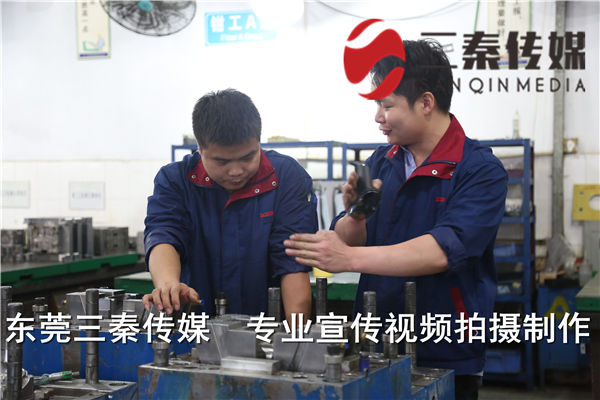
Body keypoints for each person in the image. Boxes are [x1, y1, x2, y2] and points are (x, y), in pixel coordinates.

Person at [284, 40, 507, 400]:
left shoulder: (479, 170)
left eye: (387, 105)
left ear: (426, 103)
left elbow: (443, 251)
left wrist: (349, 258)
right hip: (376, 337)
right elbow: (347, 236)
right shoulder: (382, 160)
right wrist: (356, 216)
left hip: (444, 344)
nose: (378, 116)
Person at [143, 89, 316, 322]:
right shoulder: (175, 180)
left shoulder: (286, 177)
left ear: (258, 142)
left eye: (247, 157)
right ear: (200, 148)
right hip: (196, 323)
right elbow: (164, 234)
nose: (235, 171)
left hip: (267, 324)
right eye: (221, 161)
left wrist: (295, 335)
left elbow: (293, 260)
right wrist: (168, 285)